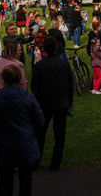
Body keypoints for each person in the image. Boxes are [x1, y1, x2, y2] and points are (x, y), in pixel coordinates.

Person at [0, 64, 44, 196]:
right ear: (19, 78)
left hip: (4, 145)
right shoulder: (28, 98)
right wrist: (33, 135)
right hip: (24, 144)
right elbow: (40, 120)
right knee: (25, 182)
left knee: (4, 182)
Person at [31, 37, 73, 170]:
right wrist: (69, 103)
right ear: (56, 49)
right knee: (59, 134)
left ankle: (36, 161)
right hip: (60, 103)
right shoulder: (64, 64)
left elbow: (35, 87)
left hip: (44, 104)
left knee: (40, 134)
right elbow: (70, 86)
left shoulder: (39, 66)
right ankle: (55, 163)